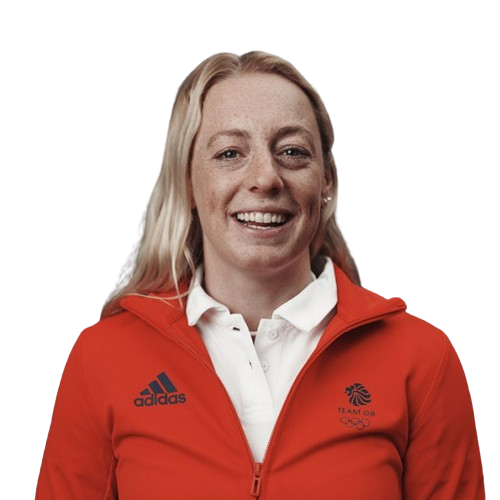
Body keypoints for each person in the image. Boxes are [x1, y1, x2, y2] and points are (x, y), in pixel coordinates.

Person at [36, 50, 485, 499]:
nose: (266, 178)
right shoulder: (101, 358)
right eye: (230, 153)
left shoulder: (422, 359)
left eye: (292, 152)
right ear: (187, 180)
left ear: (326, 181)